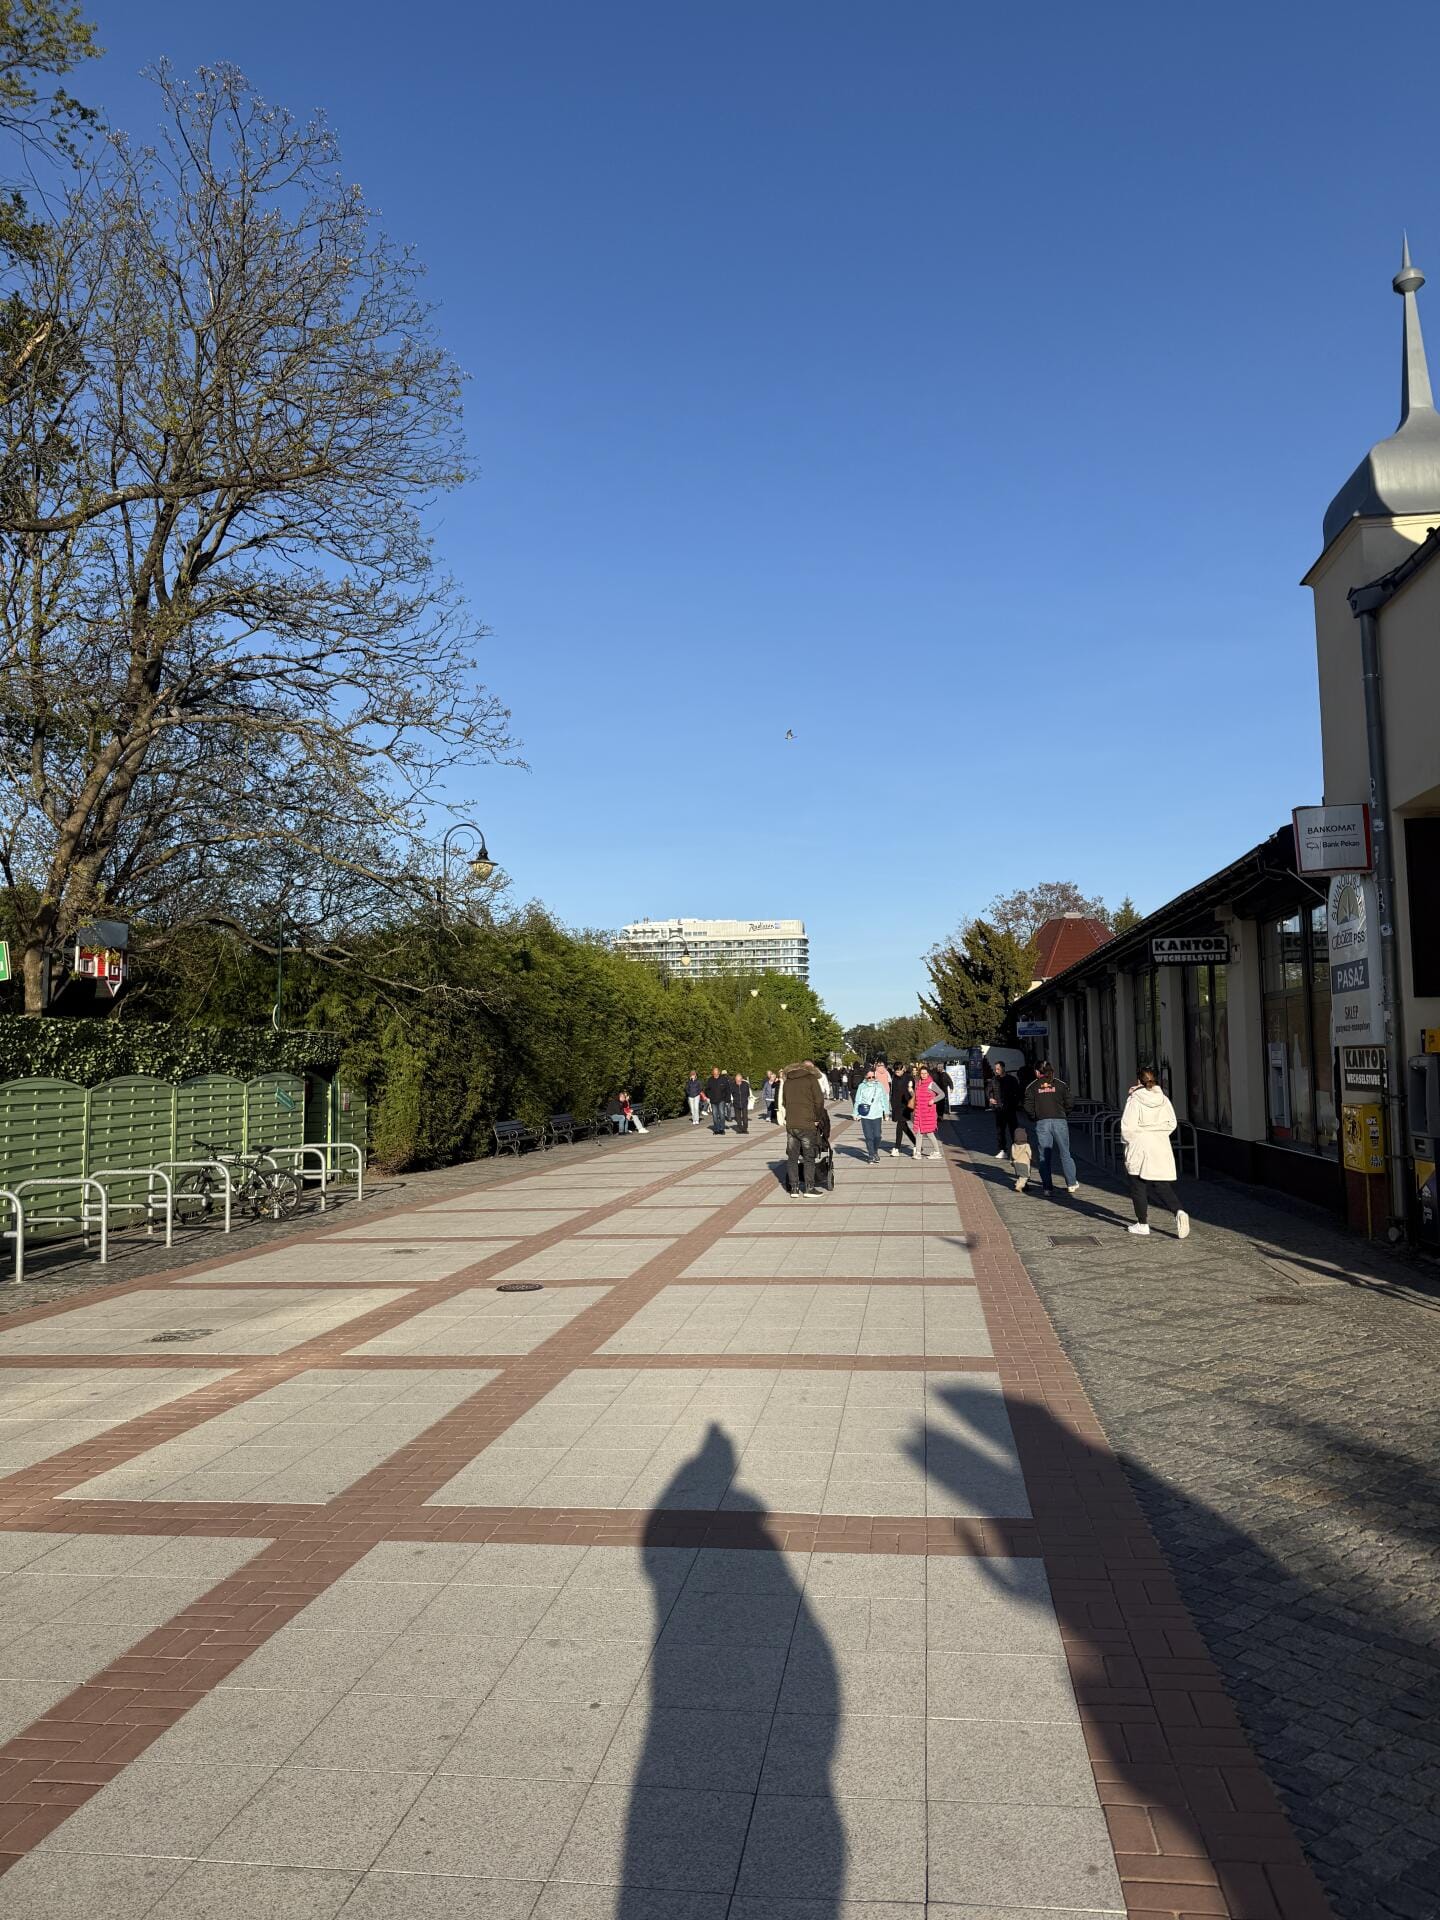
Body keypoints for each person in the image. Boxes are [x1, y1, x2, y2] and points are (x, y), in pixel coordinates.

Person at [1120, 1067, 1190, 1238]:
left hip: (1140, 1144)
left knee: (1138, 1184)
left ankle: (1142, 1223)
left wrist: (1129, 1141)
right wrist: (1159, 1134)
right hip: (1159, 1144)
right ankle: (1178, 1211)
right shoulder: (1163, 1099)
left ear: (1139, 1081)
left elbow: (1127, 1127)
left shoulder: (1135, 1099)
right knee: (1160, 1184)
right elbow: (1172, 1123)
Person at [1022, 1061, 1079, 1197]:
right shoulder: (1060, 1084)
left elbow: (1027, 1105)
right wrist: (1064, 1113)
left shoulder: (1032, 1087)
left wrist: (1034, 1116)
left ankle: (1047, 1188)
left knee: (1044, 1156)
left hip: (1042, 1122)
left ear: (1037, 1072)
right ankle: (1071, 1183)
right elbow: (1070, 1101)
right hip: (1059, 1121)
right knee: (1065, 1153)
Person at [782, 1059, 827, 1197]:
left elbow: (784, 1102)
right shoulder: (811, 1079)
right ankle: (809, 1188)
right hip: (807, 1123)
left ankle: (794, 1188)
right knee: (808, 1157)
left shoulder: (788, 1081)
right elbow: (819, 1101)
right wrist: (817, 1118)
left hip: (791, 1124)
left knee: (792, 1157)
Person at [853, 1064, 890, 1164]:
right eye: (869, 1077)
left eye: (873, 1077)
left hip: (877, 1114)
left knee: (877, 1136)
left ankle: (875, 1151)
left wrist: (886, 1112)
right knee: (869, 1136)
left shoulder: (879, 1086)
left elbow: (884, 1100)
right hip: (865, 1115)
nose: (871, 1079)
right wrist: (855, 1113)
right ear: (865, 1077)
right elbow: (858, 1100)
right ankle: (871, 1155)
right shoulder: (861, 1086)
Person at [987, 1060, 1022, 1156]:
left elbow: (1018, 1093)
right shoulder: (994, 1080)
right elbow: (989, 1091)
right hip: (999, 1109)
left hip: (1010, 1109)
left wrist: (1014, 1104)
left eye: (998, 1069)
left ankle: (1017, 1149)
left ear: (1003, 1068)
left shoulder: (1011, 1079)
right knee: (1000, 1131)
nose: (996, 1071)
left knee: (1013, 1129)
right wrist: (990, 1099)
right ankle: (1002, 1150)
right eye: (995, 1069)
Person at [911, 1067, 942, 1161]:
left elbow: (942, 1094)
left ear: (928, 1074)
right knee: (919, 1133)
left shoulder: (931, 1084)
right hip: (919, 1112)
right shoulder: (918, 1084)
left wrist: (933, 1100)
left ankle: (937, 1152)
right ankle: (918, 1153)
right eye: (922, 1073)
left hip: (928, 1113)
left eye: (925, 1073)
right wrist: (910, 1090)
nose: (923, 1075)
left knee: (929, 1133)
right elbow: (916, 1096)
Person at [890, 1064, 916, 1157]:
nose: (897, 1073)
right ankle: (917, 1143)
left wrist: (910, 1090)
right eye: (895, 1072)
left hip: (906, 1105)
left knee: (900, 1125)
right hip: (896, 1105)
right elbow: (893, 1092)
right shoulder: (894, 1078)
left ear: (903, 1069)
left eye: (898, 1071)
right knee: (904, 1127)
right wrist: (892, 1104)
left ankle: (896, 1148)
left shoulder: (909, 1078)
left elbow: (913, 1092)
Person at [705, 1067, 728, 1134]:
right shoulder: (710, 1080)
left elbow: (727, 1089)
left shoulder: (723, 1079)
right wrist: (709, 1096)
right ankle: (716, 1129)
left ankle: (722, 1128)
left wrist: (727, 1099)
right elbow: (707, 1089)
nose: (715, 1075)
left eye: (716, 1074)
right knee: (715, 1115)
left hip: (721, 1099)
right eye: (714, 1074)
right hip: (713, 1100)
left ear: (719, 1073)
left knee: (722, 1114)